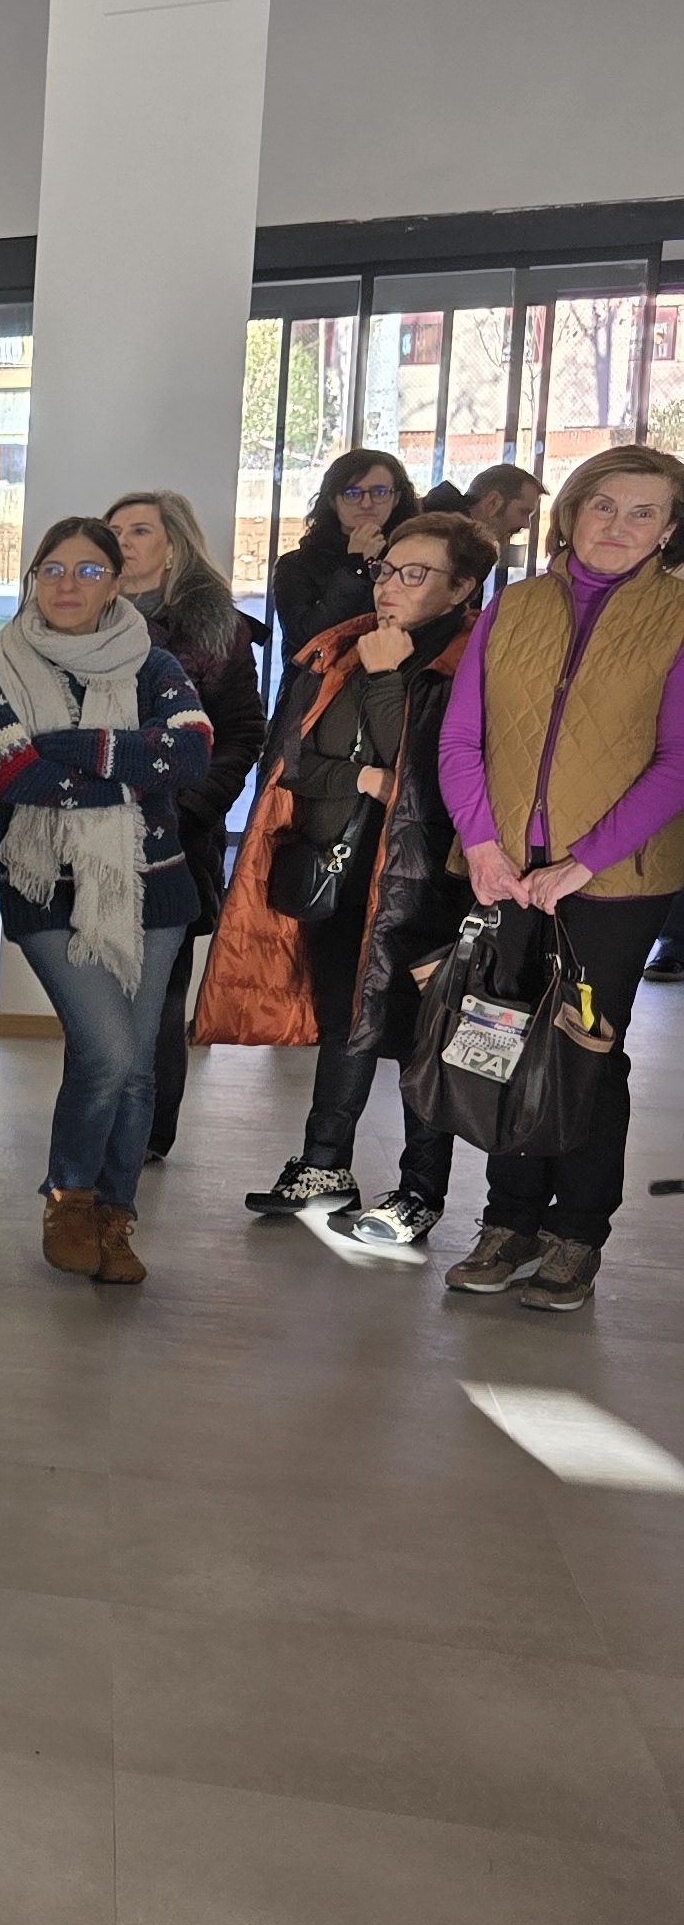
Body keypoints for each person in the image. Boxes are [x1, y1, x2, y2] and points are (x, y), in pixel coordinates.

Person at [433, 444, 684, 1313]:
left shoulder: (680, 616)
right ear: (571, 512)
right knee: (502, 1044)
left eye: (645, 513)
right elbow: (460, 739)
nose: (620, 526)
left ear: (669, 529)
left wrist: (585, 860)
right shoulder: (512, 610)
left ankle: (577, 1235)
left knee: (586, 1057)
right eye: (604, 506)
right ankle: (507, 1222)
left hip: (616, 884)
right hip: (503, 873)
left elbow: (677, 761)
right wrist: (483, 845)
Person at [200, 511, 496, 1243]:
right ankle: (325, 1164)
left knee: (421, 1035)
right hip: (336, 866)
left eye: (416, 574)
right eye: (387, 569)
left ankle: (419, 1191)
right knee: (344, 1022)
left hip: (429, 880)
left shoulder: (471, 661)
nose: (392, 586)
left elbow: (419, 776)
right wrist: (358, 776)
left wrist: (390, 682)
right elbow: (296, 763)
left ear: (464, 588)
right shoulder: (343, 649)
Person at [0, 516, 216, 1288]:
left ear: (117, 582)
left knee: (138, 1068)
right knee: (109, 1051)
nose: (66, 585)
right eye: (51, 569)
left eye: (86, 571)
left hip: (158, 888)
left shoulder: (155, 663)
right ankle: (68, 1196)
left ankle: (117, 1215)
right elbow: (17, 779)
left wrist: (72, 746)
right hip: (48, 890)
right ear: (30, 581)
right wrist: (129, 759)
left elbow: (190, 752)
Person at [107, 490, 265, 1160]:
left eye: (139, 530)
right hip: (88, 830)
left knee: (159, 998)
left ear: (174, 543)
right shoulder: (83, 617)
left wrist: (194, 803)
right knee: (97, 990)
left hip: (176, 835)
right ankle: (97, 1119)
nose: (122, 542)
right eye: (112, 530)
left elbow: (243, 733)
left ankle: (145, 1134)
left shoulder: (215, 627)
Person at [270, 449, 420, 651]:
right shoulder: (297, 564)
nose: (367, 503)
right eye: (352, 493)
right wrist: (355, 565)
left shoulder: (412, 558)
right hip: (321, 680)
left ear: (396, 498)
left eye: (379, 492)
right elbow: (307, 638)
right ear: (333, 500)